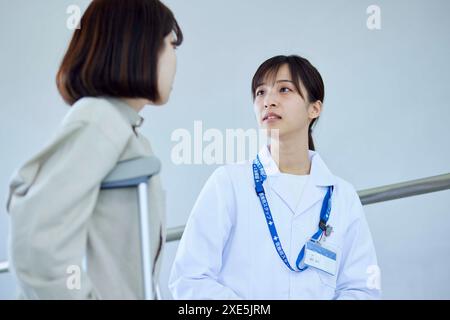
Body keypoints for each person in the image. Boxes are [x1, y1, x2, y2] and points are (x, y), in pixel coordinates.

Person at [6, 0, 182, 299]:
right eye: (171, 45)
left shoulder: (127, 131)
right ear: (139, 45)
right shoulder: (99, 121)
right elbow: (37, 244)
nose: (176, 60)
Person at [169, 55, 381, 300]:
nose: (268, 101)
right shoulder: (228, 183)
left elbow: (362, 289)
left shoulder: (342, 196)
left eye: (284, 89)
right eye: (260, 92)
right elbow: (189, 280)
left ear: (314, 108)